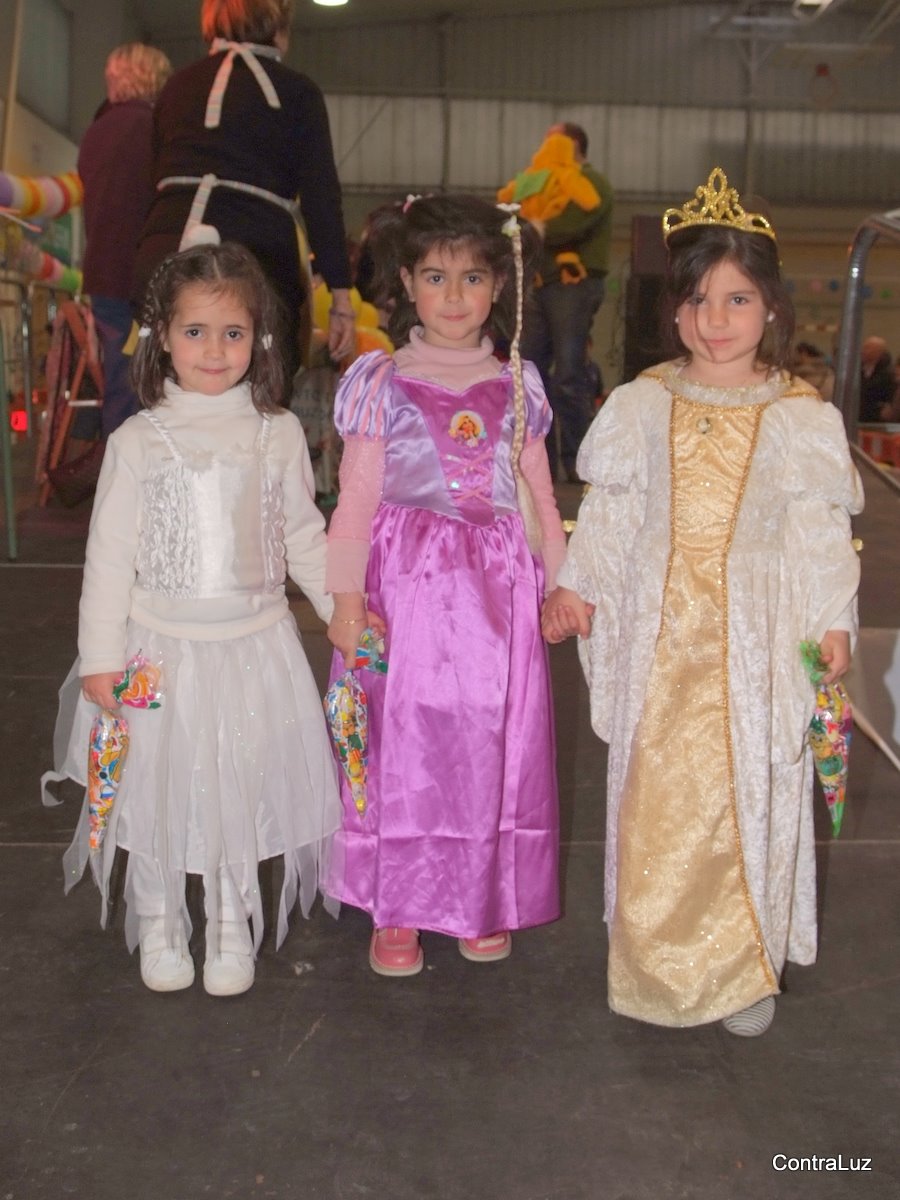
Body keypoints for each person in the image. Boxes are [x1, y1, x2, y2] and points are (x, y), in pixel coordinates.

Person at [542, 168, 864, 1037]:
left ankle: (742, 965)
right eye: (697, 301)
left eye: (737, 299)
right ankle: (652, 954)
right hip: (660, 637)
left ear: (772, 309)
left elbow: (817, 531)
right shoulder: (644, 405)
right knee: (656, 796)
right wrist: (577, 582)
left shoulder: (798, 417)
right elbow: (613, 511)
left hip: (753, 638)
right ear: (674, 311)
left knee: (749, 786)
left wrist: (831, 620)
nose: (715, 320)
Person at [41, 242, 341, 997]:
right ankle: (160, 918)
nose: (215, 350)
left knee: (239, 785)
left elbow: (304, 535)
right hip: (158, 657)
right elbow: (110, 559)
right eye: (196, 331)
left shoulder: (276, 433)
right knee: (155, 790)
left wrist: (341, 609)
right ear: (163, 338)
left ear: (260, 339)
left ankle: (231, 921)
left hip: (254, 650)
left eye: (233, 333)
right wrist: (100, 658)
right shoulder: (139, 440)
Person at [324, 194, 567, 976]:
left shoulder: (519, 384)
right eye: (435, 276)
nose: (454, 296)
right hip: (406, 593)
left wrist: (562, 584)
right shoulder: (381, 381)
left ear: (499, 285)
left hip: (498, 598)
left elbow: (540, 497)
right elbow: (355, 500)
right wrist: (347, 600)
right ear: (407, 281)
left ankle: (478, 896)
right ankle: (396, 903)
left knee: (486, 742)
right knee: (404, 741)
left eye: (472, 278)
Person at [132, 0, 355, 383]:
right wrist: (340, 295)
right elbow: (321, 198)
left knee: (169, 391)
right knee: (258, 393)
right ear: (279, 28)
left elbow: (147, 184)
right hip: (257, 257)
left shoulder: (177, 87)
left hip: (165, 249)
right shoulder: (297, 92)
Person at [78, 42, 172, 436]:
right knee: (151, 381)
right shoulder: (154, 129)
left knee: (122, 377)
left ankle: (118, 460)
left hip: (102, 275)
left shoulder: (95, 131)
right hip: (141, 273)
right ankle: (141, 466)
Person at [511, 122, 614, 482]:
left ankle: (577, 461)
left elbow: (572, 222)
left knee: (569, 374)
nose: (544, 146)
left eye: (552, 140)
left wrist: (535, 228)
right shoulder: (539, 179)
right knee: (529, 373)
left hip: (573, 284)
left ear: (571, 144)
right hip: (540, 283)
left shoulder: (592, 182)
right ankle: (539, 461)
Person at [859, 335, 895, 422]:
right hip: (857, 415)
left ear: (878, 352)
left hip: (876, 418)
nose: (863, 351)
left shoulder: (888, 374)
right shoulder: (856, 370)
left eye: (868, 348)